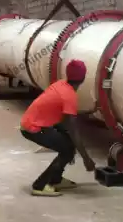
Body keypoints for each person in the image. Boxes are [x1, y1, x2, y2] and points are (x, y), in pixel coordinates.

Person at [19, 59, 96, 197]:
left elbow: (66, 118)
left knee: (68, 143)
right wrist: (86, 158)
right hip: (33, 128)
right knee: (67, 149)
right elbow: (73, 130)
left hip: (33, 122)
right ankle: (40, 185)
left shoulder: (61, 84)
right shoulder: (69, 95)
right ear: (83, 77)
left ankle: (56, 179)